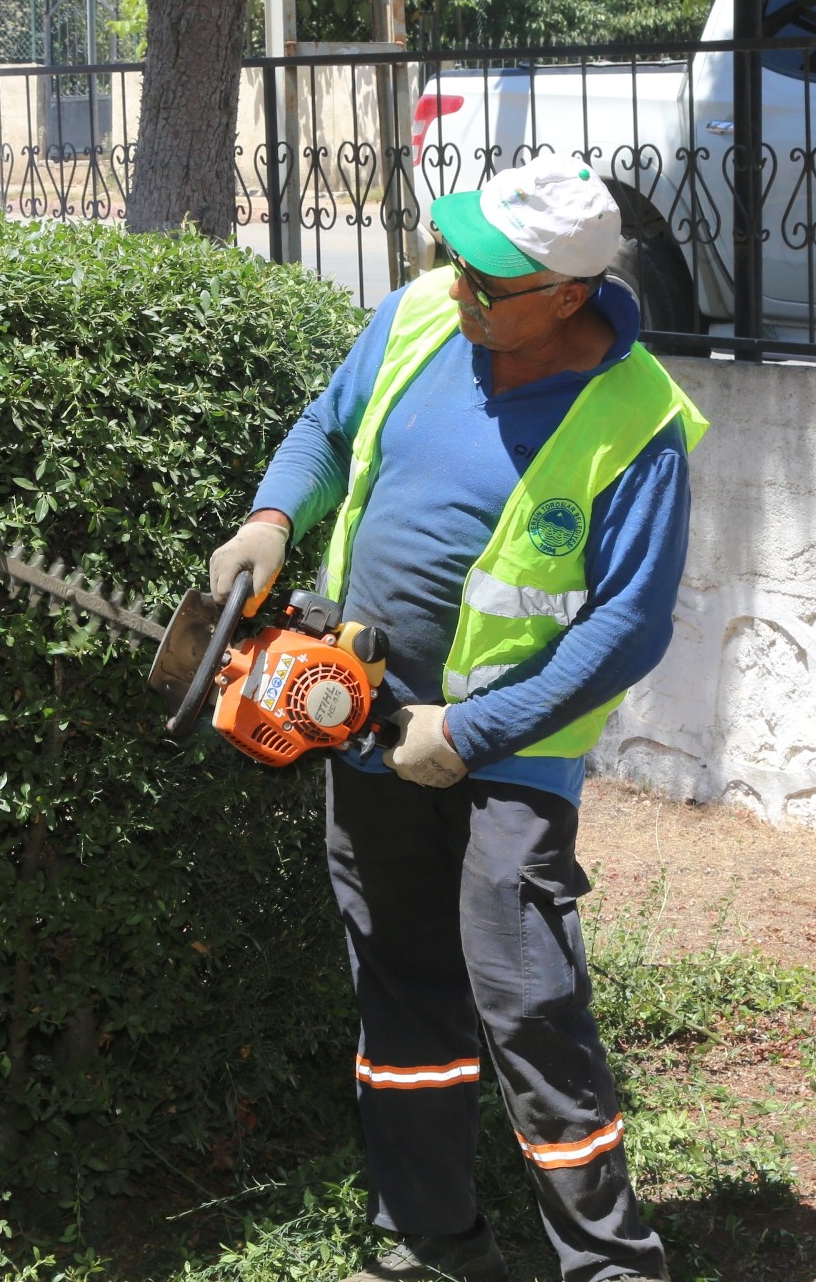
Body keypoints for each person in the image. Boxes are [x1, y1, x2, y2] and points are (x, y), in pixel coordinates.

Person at [206, 153, 704, 1282]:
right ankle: (426, 1239)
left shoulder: (638, 424)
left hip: (513, 754)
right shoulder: (424, 317)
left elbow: (626, 630)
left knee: (526, 1002)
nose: (457, 287)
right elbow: (327, 431)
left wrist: (470, 732)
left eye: (486, 281)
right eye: (456, 264)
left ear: (567, 294)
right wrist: (273, 521)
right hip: (364, 715)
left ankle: (613, 1265)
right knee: (401, 986)